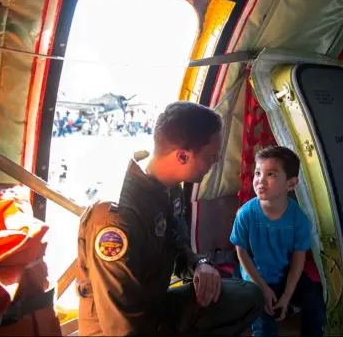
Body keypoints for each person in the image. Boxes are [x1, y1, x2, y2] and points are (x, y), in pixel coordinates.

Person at [76, 101, 264, 336]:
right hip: (117, 326)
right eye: (211, 156)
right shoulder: (116, 218)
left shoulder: (168, 187)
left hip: (154, 308)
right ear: (183, 156)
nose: (215, 162)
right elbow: (120, 323)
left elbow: (177, 243)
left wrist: (200, 264)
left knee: (248, 296)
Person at [230, 146, 327, 337]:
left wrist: (286, 296)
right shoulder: (245, 214)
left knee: (315, 303)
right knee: (265, 324)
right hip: (254, 276)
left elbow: (299, 259)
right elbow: (241, 253)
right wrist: (263, 288)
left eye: (271, 174)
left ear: (290, 184)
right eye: (258, 173)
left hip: (282, 274)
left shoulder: (298, 218)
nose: (260, 180)